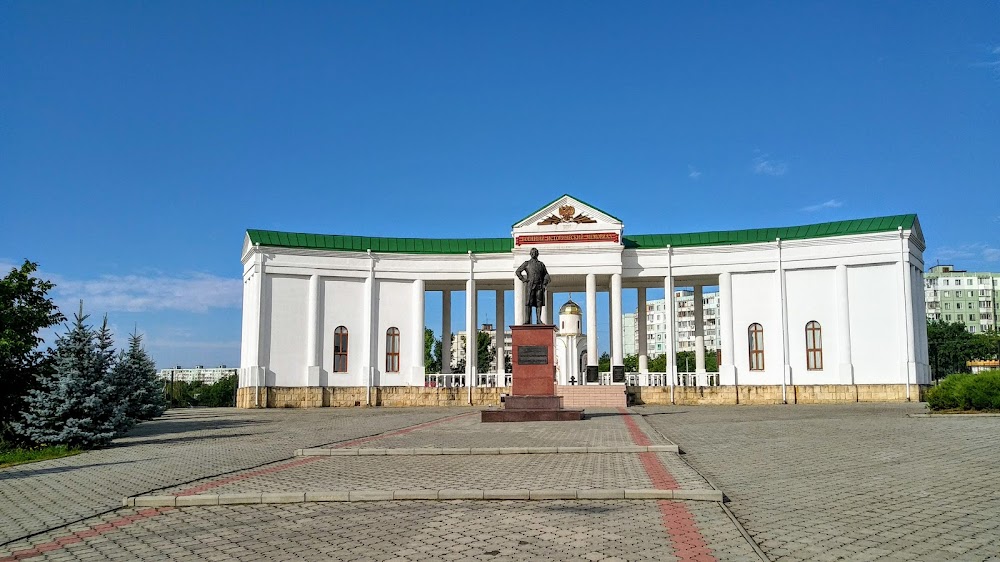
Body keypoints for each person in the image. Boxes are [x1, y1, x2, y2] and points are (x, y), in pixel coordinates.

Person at [515, 248, 551, 324]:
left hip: (539, 286)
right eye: (532, 252)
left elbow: (546, 275)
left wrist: (544, 283)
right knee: (529, 303)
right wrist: (523, 280)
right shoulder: (526, 263)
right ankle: (527, 320)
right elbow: (518, 271)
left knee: (539, 303)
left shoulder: (541, 264)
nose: (533, 254)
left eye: (535, 252)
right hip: (530, 285)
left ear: (537, 254)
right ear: (530, 254)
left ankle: (538, 319)